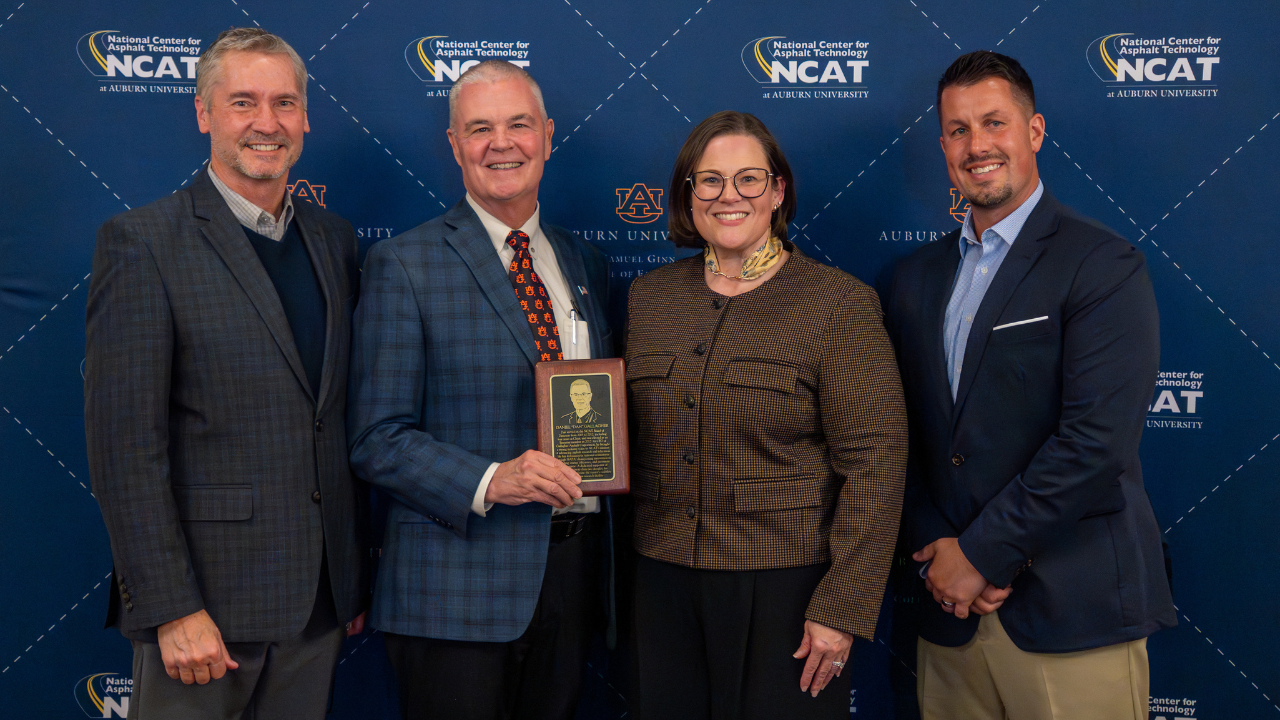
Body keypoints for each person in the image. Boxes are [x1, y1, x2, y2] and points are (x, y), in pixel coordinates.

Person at [84, 27, 367, 719]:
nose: (266, 124)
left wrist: (349, 580)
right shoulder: (143, 242)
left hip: (319, 604)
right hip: (205, 612)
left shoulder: (333, 240)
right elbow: (126, 449)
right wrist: (171, 606)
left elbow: (328, 415)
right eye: (243, 103)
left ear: (305, 117)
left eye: (284, 103)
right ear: (204, 113)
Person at [885, 51, 1176, 720]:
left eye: (994, 123)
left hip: (1071, 615)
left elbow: (1095, 442)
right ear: (942, 145)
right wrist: (941, 559)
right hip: (950, 614)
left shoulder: (1102, 264)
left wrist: (983, 556)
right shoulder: (914, 278)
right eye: (958, 130)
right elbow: (899, 434)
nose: (977, 145)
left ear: (1034, 131)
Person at [347, 60, 612, 720]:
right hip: (453, 596)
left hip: (572, 583)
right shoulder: (403, 264)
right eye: (480, 128)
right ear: (454, 144)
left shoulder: (584, 262)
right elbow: (377, 439)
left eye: (519, 125)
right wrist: (493, 479)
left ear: (548, 136)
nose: (503, 143)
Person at [624, 110, 908, 720]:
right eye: (710, 181)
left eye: (749, 179)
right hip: (661, 585)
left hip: (790, 593)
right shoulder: (649, 299)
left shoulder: (838, 304)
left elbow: (876, 467)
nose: (730, 196)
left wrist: (841, 607)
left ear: (778, 191)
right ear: (687, 196)